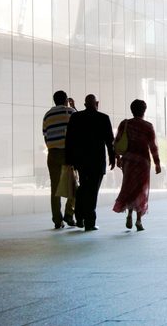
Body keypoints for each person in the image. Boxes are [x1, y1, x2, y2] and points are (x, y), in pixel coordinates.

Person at [65, 94, 115, 231]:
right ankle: (89, 222)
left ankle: (80, 217)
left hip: (80, 161)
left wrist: (69, 159)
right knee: (92, 191)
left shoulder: (76, 117)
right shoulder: (103, 118)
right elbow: (109, 140)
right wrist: (113, 157)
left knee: (83, 188)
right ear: (97, 103)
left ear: (85, 104)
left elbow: (69, 139)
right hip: (97, 161)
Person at [112, 99, 162, 231]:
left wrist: (117, 158)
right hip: (143, 162)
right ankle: (138, 221)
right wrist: (157, 163)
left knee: (129, 186)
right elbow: (153, 146)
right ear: (144, 111)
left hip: (128, 161)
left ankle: (129, 214)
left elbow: (116, 142)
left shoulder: (125, 124)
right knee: (141, 189)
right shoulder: (148, 126)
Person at [42, 90, 76, 229]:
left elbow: (45, 135)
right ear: (66, 100)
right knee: (74, 186)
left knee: (55, 188)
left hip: (52, 153)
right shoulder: (70, 112)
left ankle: (57, 220)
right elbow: (78, 126)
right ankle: (69, 213)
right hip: (68, 153)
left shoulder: (47, 115)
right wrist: (74, 106)